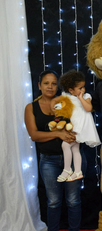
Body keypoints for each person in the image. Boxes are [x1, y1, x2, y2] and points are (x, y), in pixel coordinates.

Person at [24, 70, 82, 231]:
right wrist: (58, 133)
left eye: (54, 83)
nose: (50, 87)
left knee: (73, 200)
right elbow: (34, 135)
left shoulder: (67, 103)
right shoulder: (31, 108)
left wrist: (74, 134)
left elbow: (79, 126)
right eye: (46, 83)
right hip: (49, 161)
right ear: (39, 86)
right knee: (53, 202)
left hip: (72, 159)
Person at [54, 70, 101, 182]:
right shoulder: (66, 96)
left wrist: (80, 97)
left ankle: (67, 169)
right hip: (73, 126)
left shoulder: (86, 96)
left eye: (83, 87)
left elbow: (88, 108)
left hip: (81, 127)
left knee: (65, 145)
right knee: (75, 149)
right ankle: (78, 171)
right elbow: (63, 106)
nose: (83, 90)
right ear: (70, 90)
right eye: (80, 88)